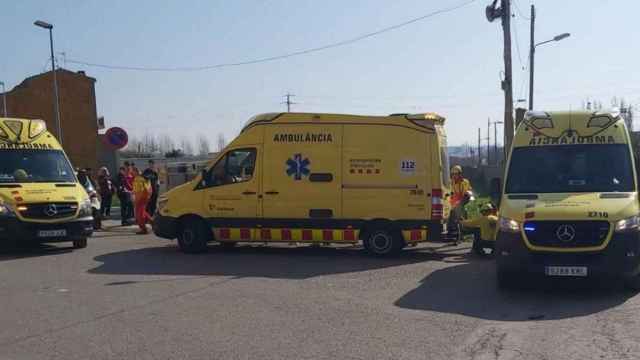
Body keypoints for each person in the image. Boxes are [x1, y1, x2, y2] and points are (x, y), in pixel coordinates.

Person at [132, 166, 152, 234]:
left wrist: (136, 200)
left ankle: (143, 229)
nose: (132, 173)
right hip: (146, 197)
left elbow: (139, 190)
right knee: (142, 212)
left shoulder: (138, 179)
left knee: (139, 214)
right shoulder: (145, 178)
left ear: (136, 171)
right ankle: (152, 222)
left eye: (133, 171)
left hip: (141, 197)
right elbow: (149, 189)